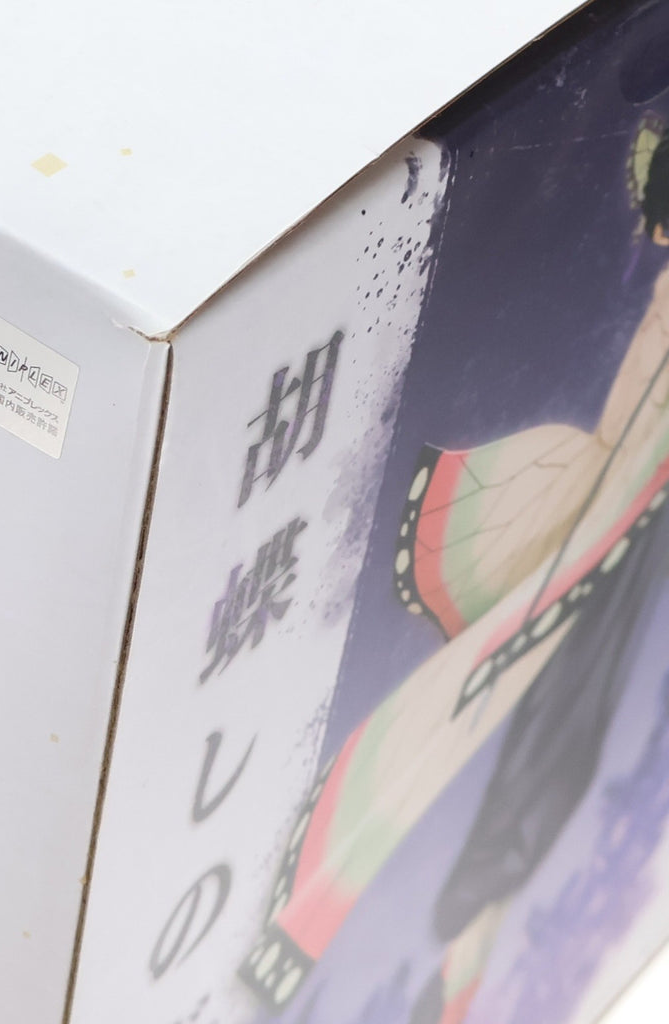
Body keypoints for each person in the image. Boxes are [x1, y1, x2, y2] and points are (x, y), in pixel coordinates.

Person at [240, 117, 669, 1023]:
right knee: (491, 714)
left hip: (617, 553)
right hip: (598, 539)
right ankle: (348, 923)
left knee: (542, 751)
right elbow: (631, 443)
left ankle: (449, 960)